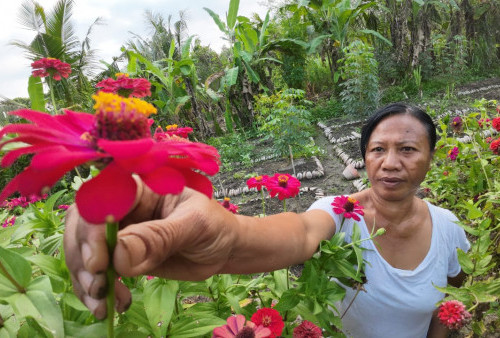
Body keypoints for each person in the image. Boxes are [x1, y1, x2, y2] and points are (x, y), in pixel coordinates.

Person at [64, 103, 470, 337]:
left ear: (431, 157)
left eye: (409, 149)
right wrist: (227, 235)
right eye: (378, 149)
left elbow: (454, 297)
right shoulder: (339, 211)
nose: (391, 163)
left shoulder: (449, 228)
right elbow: (300, 232)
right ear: (364, 158)